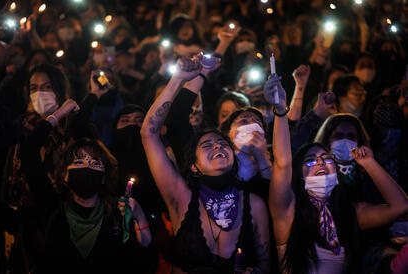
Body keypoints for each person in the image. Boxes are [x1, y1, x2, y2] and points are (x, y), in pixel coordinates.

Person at [266, 73, 408, 273]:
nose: (320, 162)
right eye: (310, 160)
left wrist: (370, 163)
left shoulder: (352, 211)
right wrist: (280, 111)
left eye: (326, 159)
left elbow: (400, 206)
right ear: (299, 175)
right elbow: (283, 163)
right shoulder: (288, 210)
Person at [141, 55, 270, 273]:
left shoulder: (254, 203)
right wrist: (178, 79)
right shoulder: (180, 196)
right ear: (193, 165)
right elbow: (148, 132)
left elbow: (265, 264)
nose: (218, 147)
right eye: (207, 145)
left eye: (222, 143)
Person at [20, 97, 154, 272]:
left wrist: (139, 217)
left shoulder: (117, 213)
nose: (87, 165)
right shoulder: (52, 207)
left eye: (95, 162)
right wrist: (59, 113)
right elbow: (29, 150)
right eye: (79, 161)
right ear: (65, 175)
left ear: (104, 176)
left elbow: (144, 258)